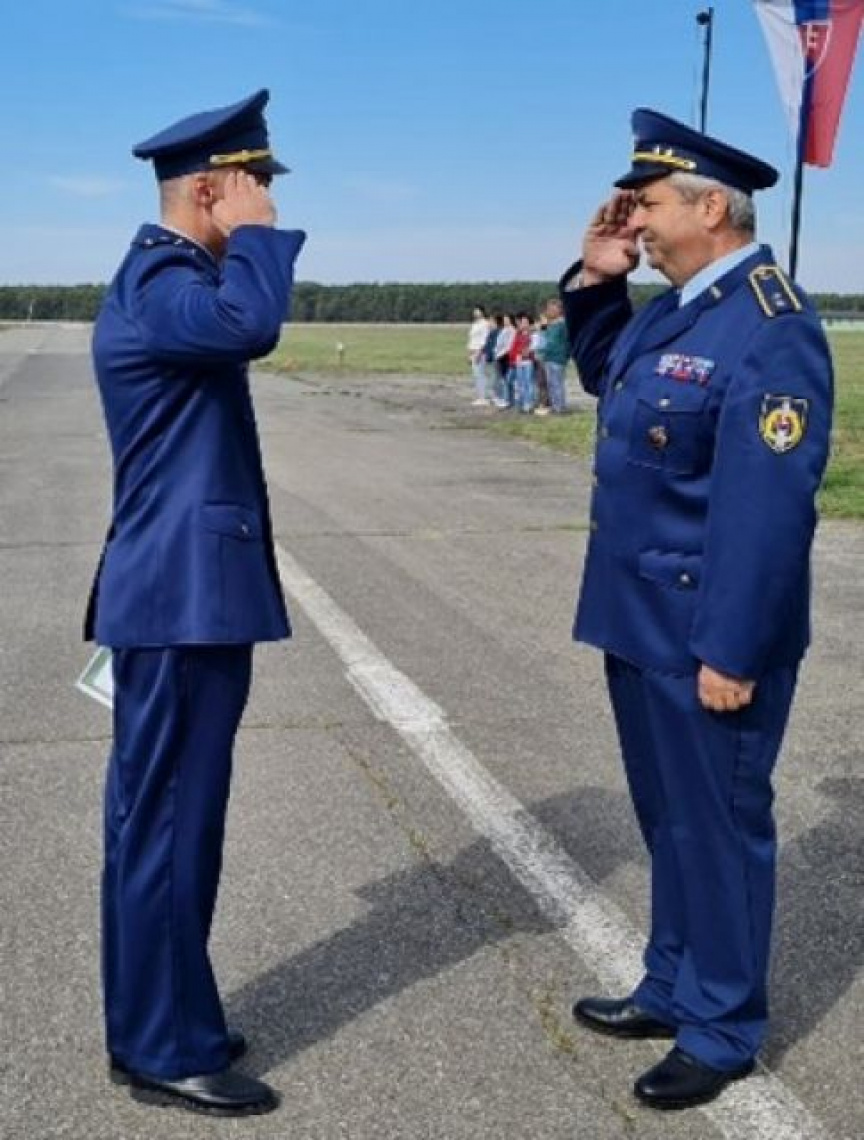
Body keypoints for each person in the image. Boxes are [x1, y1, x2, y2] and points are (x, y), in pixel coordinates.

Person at [560, 109, 833, 1110]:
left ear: (710, 207)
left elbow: (767, 513)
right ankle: (671, 982)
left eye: (647, 204)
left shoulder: (770, 325)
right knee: (670, 822)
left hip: (707, 635)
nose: (633, 219)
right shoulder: (676, 310)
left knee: (718, 828)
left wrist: (734, 649)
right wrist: (599, 280)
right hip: (639, 623)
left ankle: (721, 1025)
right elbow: (606, 374)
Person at [83, 89, 306, 1116]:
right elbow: (251, 325)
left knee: (171, 822)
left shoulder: (169, 281)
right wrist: (257, 239)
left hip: (183, 595)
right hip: (179, 600)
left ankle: (167, 1016)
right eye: (256, 186)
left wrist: (245, 236)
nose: (270, 204)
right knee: (169, 824)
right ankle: (163, 1045)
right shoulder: (163, 280)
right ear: (212, 189)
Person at [541, 298, 569, 412]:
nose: (549, 311)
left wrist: (565, 356)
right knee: (551, 384)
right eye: (548, 309)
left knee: (557, 383)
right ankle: (554, 405)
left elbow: (568, 342)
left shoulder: (563, 324)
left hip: (558, 358)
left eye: (552, 309)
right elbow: (544, 339)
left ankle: (560, 407)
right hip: (548, 357)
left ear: (559, 310)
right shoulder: (550, 324)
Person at [466, 305, 491, 405]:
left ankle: (483, 397)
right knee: (476, 375)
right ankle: (480, 396)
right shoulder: (474, 324)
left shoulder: (485, 324)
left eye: (478, 311)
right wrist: (469, 354)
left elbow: (484, 339)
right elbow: (471, 339)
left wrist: (479, 352)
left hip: (480, 352)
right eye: (475, 311)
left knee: (480, 374)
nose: (476, 313)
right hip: (473, 351)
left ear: (482, 312)